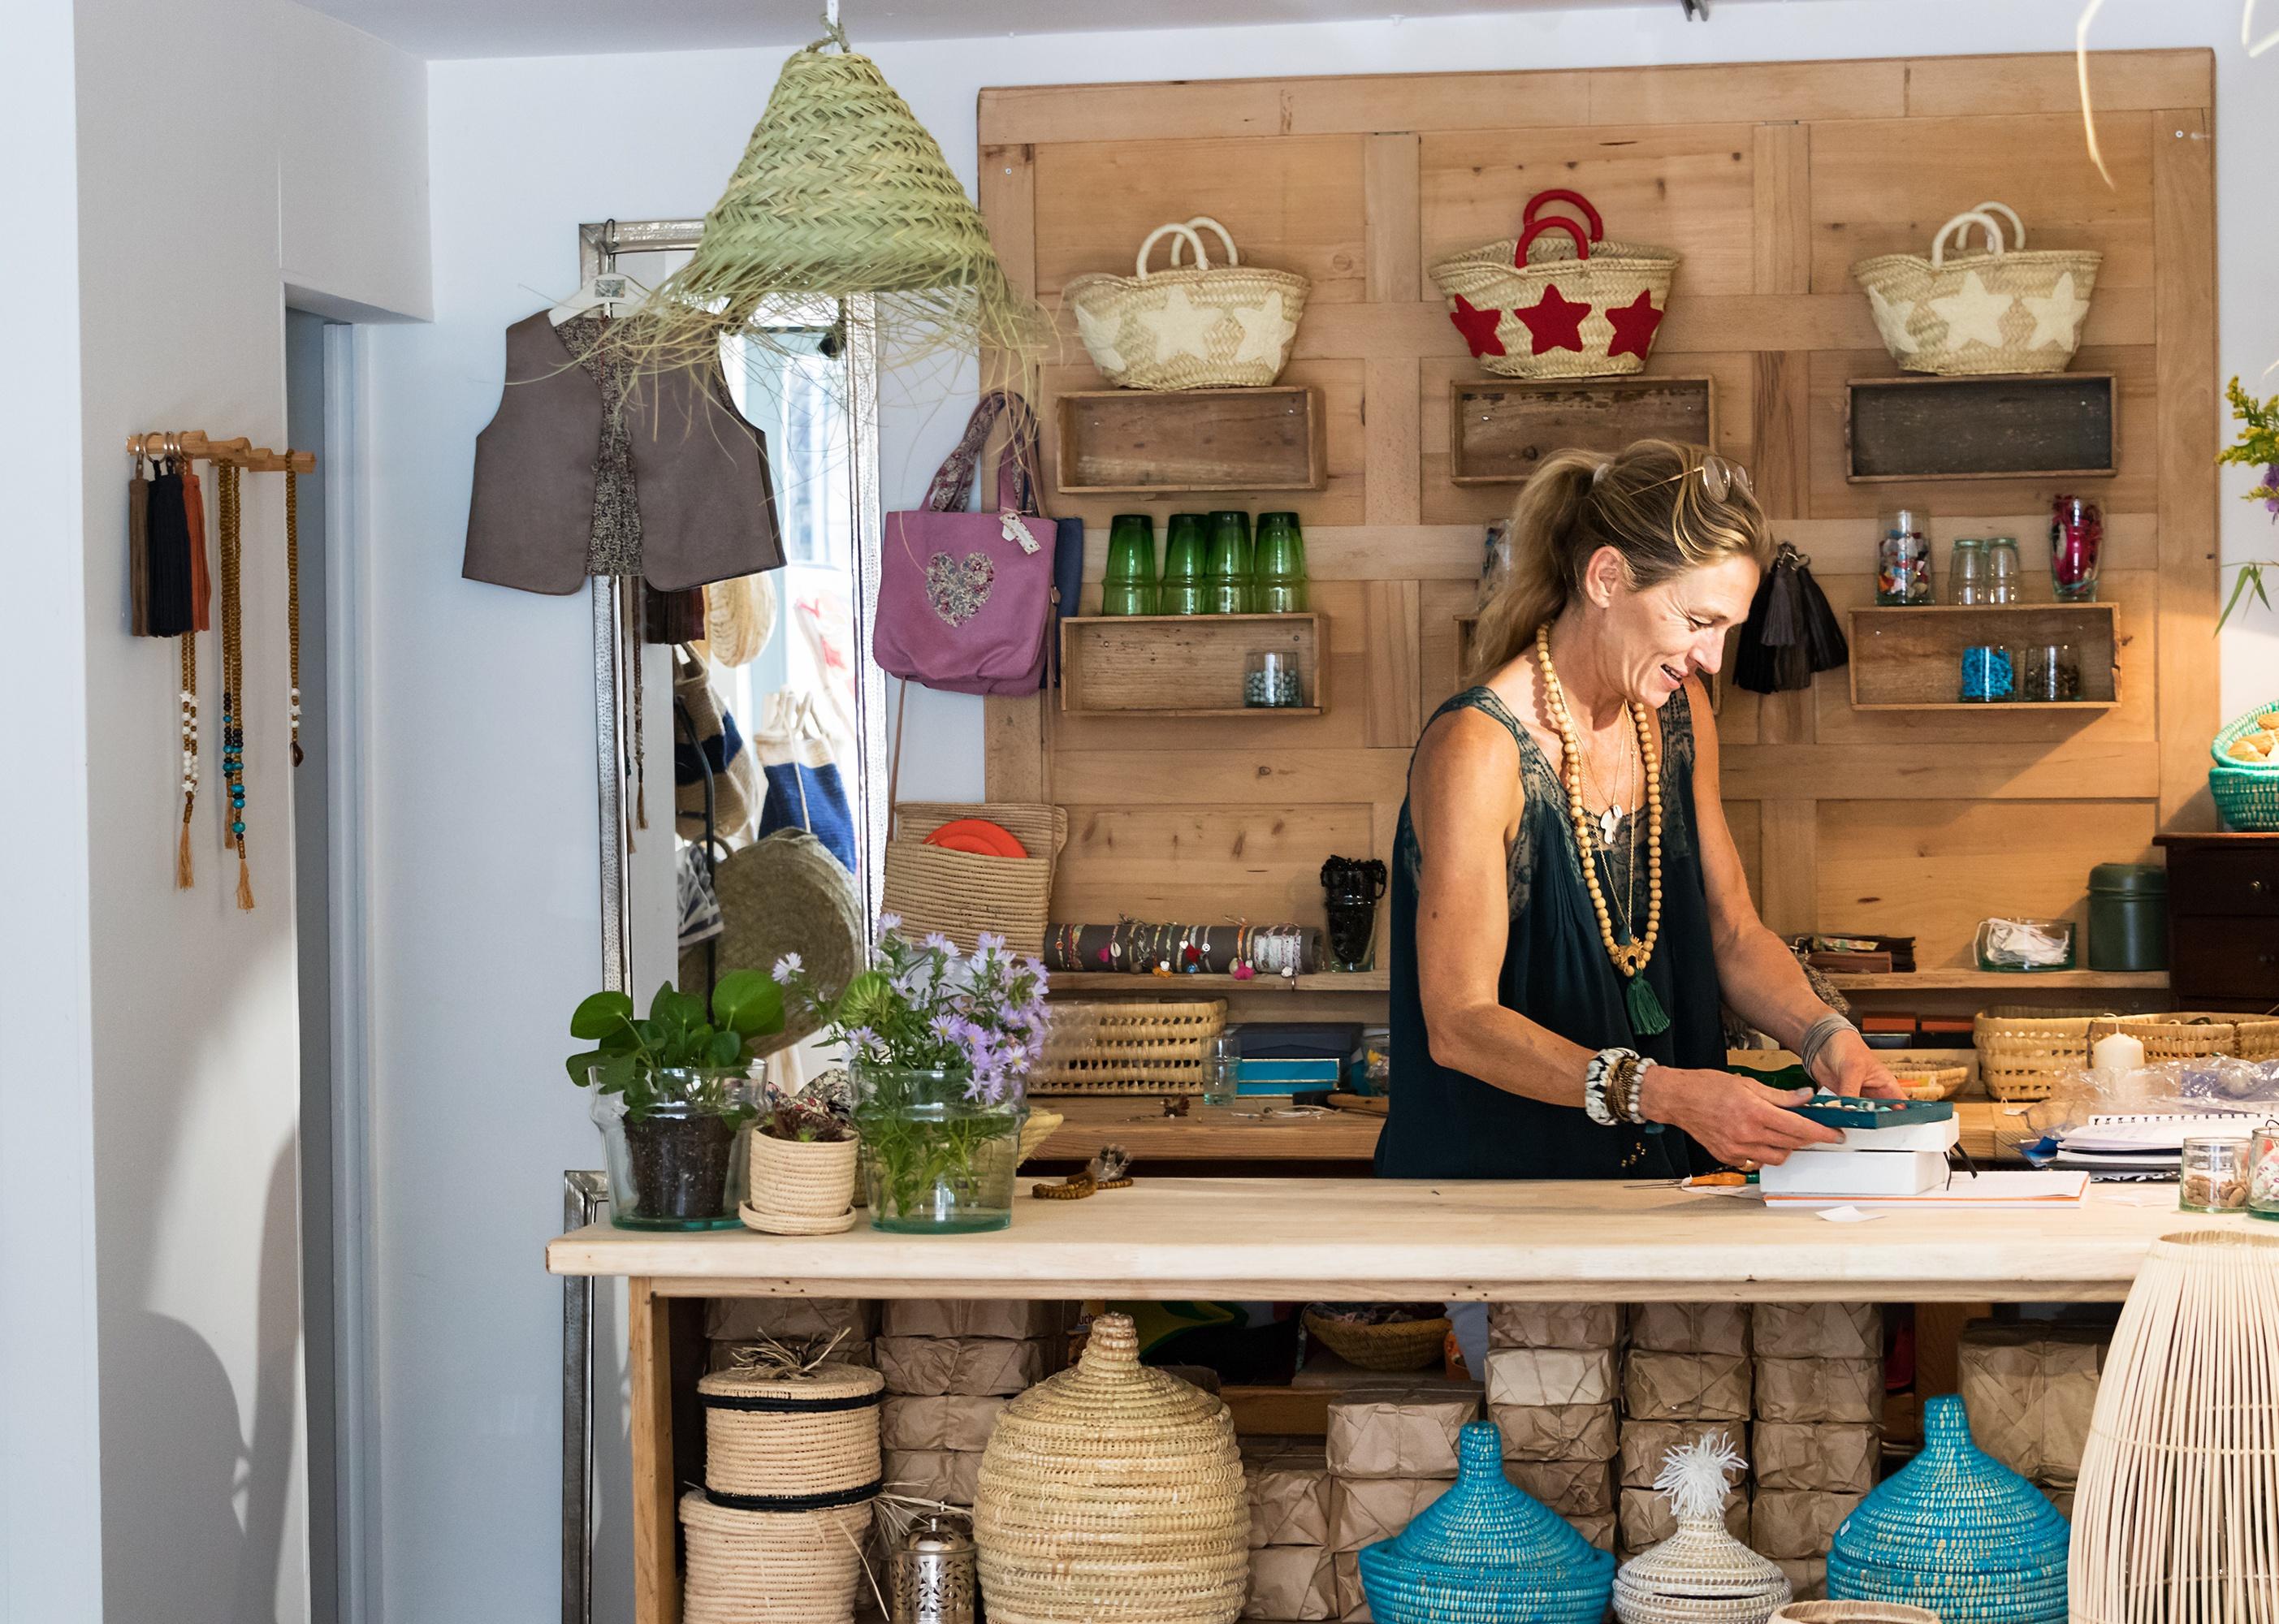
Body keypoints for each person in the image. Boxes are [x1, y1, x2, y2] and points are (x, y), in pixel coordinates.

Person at [1376, 440, 1899, 1181]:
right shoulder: (1478, 746)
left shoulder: (1679, 716)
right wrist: (1669, 1094)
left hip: (1662, 1183)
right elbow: (1460, 1025)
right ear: (1607, 576)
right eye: (1697, 620)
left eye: (1728, 629)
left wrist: (1823, 1035)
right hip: (1498, 1196)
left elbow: (1733, 930)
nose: (1713, 658)